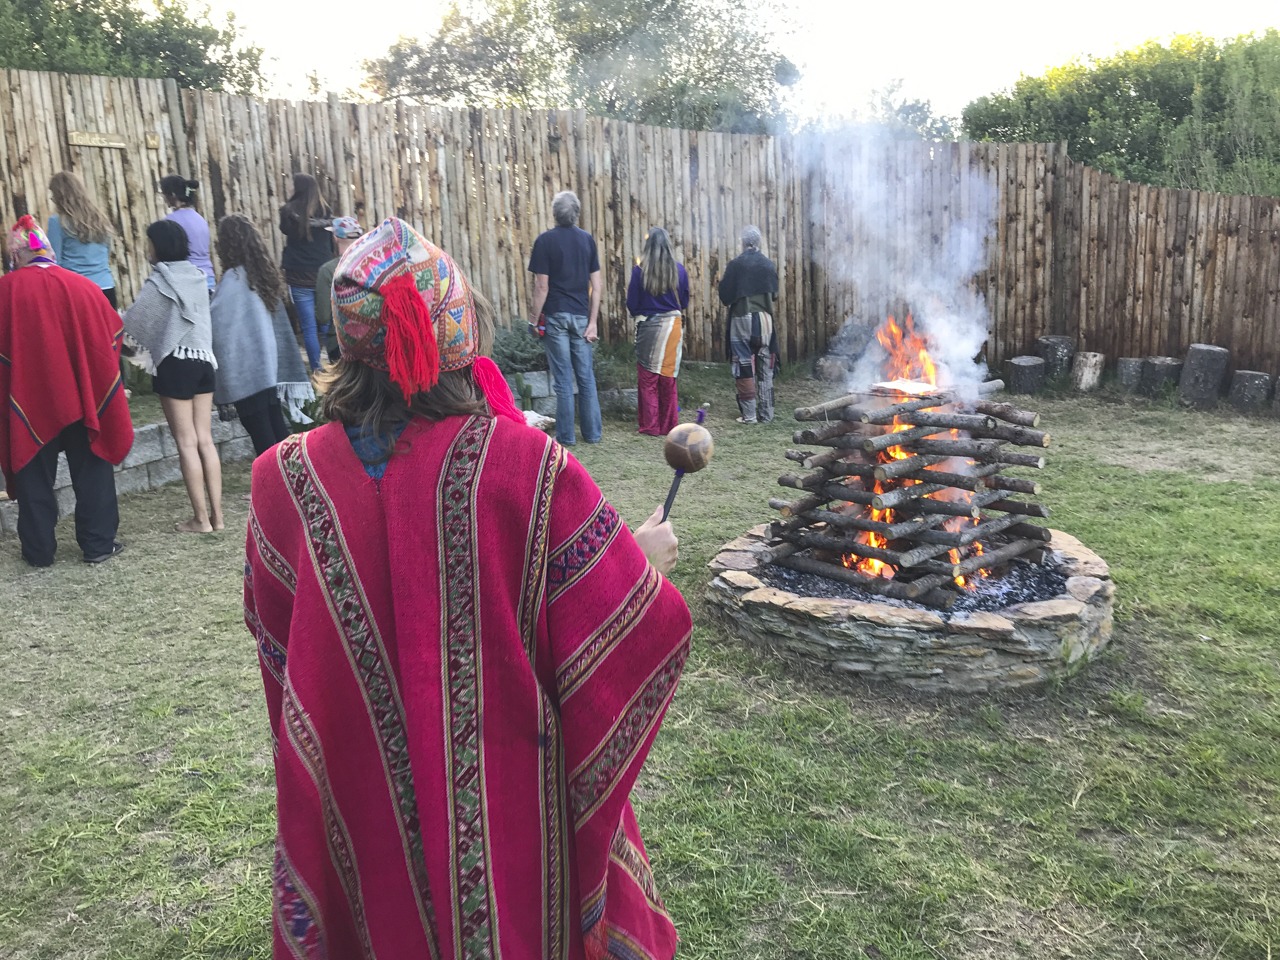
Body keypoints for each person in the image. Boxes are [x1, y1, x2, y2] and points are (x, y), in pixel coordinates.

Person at [245, 217, 690, 960]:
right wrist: (642, 566)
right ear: (457, 333)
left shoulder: (280, 481)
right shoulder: (528, 467)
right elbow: (616, 627)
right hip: (513, 810)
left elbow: (283, 654)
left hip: (355, 795)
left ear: (348, 341)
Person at [0, 215, 133, 566]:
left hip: (27, 402)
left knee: (32, 473)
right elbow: (111, 340)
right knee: (92, 466)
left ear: (16, 256)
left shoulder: (5, 292)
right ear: (48, 250)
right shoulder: (84, 287)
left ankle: (39, 551)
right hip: (84, 397)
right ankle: (98, 544)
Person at [125, 220, 223, 533]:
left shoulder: (161, 282)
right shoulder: (198, 277)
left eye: (149, 243)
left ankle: (200, 520)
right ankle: (218, 518)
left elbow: (135, 323)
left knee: (186, 442)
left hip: (177, 364)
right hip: (205, 361)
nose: (146, 248)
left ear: (159, 246)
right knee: (205, 440)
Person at [211, 215, 314, 457]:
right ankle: (291, 480)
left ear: (226, 245)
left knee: (263, 438)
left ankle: (275, 487)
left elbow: (221, 329)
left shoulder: (233, 283)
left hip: (246, 375)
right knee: (276, 429)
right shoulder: (260, 278)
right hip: (267, 372)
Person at [528, 189, 603, 445]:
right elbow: (597, 284)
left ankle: (567, 437)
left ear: (554, 213)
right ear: (577, 213)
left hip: (556, 317)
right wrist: (593, 322)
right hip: (582, 318)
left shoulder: (544, 242)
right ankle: (593, 435)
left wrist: (533, 318)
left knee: (562, 379)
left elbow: (541, 287)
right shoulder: (587, 241)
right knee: (586, 377)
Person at [627, 227, 689, 436]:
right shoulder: (679, 270)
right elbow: (685, 301)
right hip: (673, 327)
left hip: (649, 328)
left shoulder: (639, 271)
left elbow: (632, 304)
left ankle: (650, 425)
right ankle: (669, 424)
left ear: (648, 247)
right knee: (668, 377)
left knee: (648, 378)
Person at [718, 225, 780, 424]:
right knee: (765, 367)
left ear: (743, 242)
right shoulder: (768, 265)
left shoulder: (736, 265)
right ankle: (767, 414)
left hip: (742, 319)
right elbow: (775, 295)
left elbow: (725, 296)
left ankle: (750, 416)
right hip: (765, 320)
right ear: (759, 242)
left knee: (744, 366)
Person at [278, 173, 333, 372]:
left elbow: (284, 230)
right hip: (322, 274)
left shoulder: (288, 211)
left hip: (298, 275)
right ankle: (337, 367)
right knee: (326, 324)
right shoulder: (326, 211)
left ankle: (317, 370)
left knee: (309, 328)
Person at [47, 171, 118, 309]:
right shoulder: (101, 219)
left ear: (60, 196)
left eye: (53, 194)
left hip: (77, 291)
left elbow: (54, 261)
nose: (52, 199)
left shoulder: (57, 221)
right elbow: (107, 253)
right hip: (106, 287)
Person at [313, 215, 364, 365]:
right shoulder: (375, 262)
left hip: (340, 344)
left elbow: (323, 316)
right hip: (374, 342)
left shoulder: (327, 271)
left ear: (335, 237)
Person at [159, 175, 216, 291]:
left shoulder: (170, 222)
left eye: (164, 194)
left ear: (173, 195)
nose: (164, 199)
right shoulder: (200, 219)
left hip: (188, 281)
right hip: (208, 277)